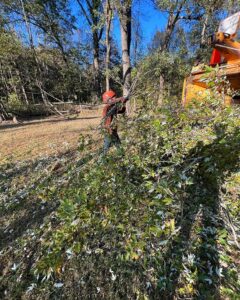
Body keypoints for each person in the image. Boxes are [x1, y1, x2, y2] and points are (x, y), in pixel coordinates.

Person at [101, 90, 128, 154]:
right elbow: (106, 116)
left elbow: (122, 111)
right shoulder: (106, 108)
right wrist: (120, 99)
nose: (115, 98)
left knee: (118, 147)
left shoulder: (114, 106)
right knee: (106, 149)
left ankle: (122, 157)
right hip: (108, 131)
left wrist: (123, 102)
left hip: (113, 131)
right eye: (113, 97)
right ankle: (100, 161)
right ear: (109, 100)